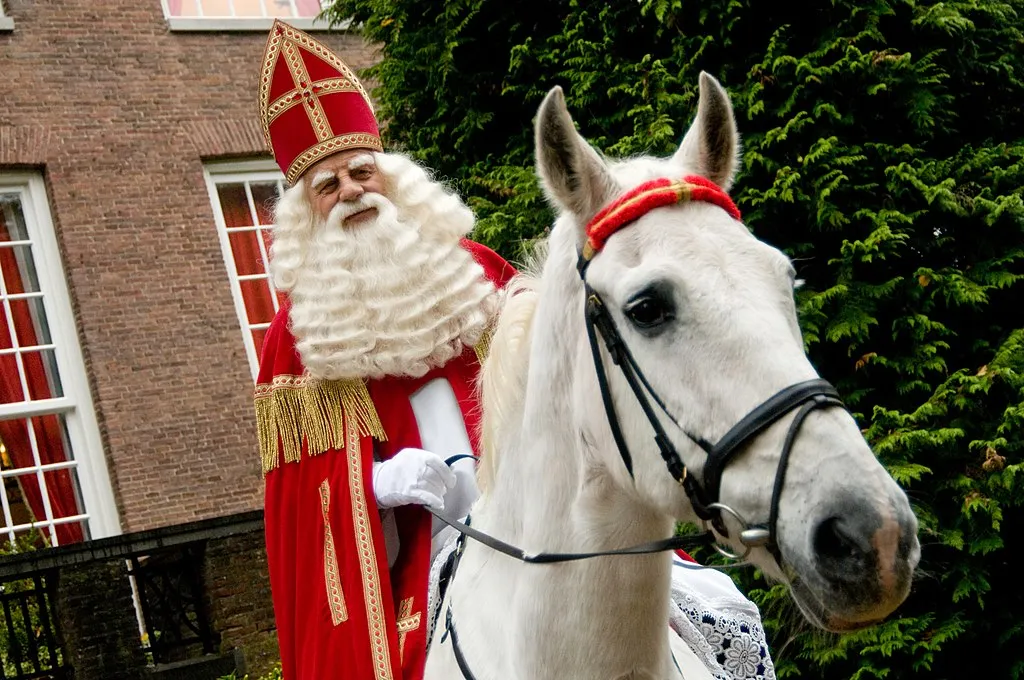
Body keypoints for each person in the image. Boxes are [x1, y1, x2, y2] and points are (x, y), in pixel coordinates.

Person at [254, 20, 776, 680]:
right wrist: (373, 487)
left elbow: (564, 377)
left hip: (539, 511)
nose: (351, 192)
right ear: (307, 209)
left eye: (361, 172)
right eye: (328, 186)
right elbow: (301, 515)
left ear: (390, 176)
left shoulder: (471, 271)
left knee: (721, 612)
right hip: (425, 555)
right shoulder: (295, 339)